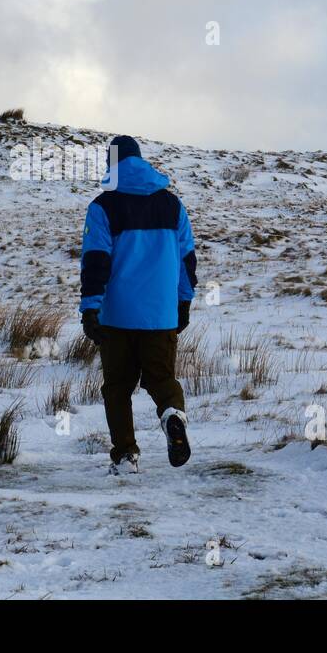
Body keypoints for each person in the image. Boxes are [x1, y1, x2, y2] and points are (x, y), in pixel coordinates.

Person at [79, 135, 196, 473]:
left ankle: (126, 455)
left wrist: (90, 307)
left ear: (110, 164)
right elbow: (187, 259)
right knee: (161, 380)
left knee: (117, 389)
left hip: (117, 317)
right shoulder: (173, 206)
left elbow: (96, 261)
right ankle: (173, 415)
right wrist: (183, 303)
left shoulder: (103, 206)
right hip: (161, 315)